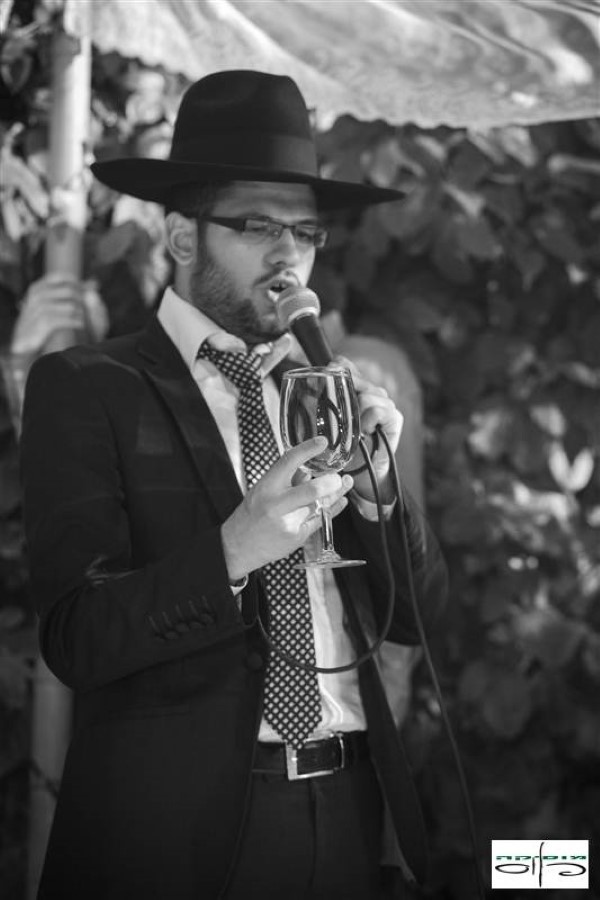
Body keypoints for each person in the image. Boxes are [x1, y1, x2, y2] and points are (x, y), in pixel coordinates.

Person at [20, 70, 447, 900]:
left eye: (307, 232)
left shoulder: (324, 389)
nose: (290, 256)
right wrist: (232, 552)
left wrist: (378, 494)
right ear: (182, 237)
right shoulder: (89, 386)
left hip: (349, 812)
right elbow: (77, 639)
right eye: (258, 226)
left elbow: (420, 621)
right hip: (174, 838)